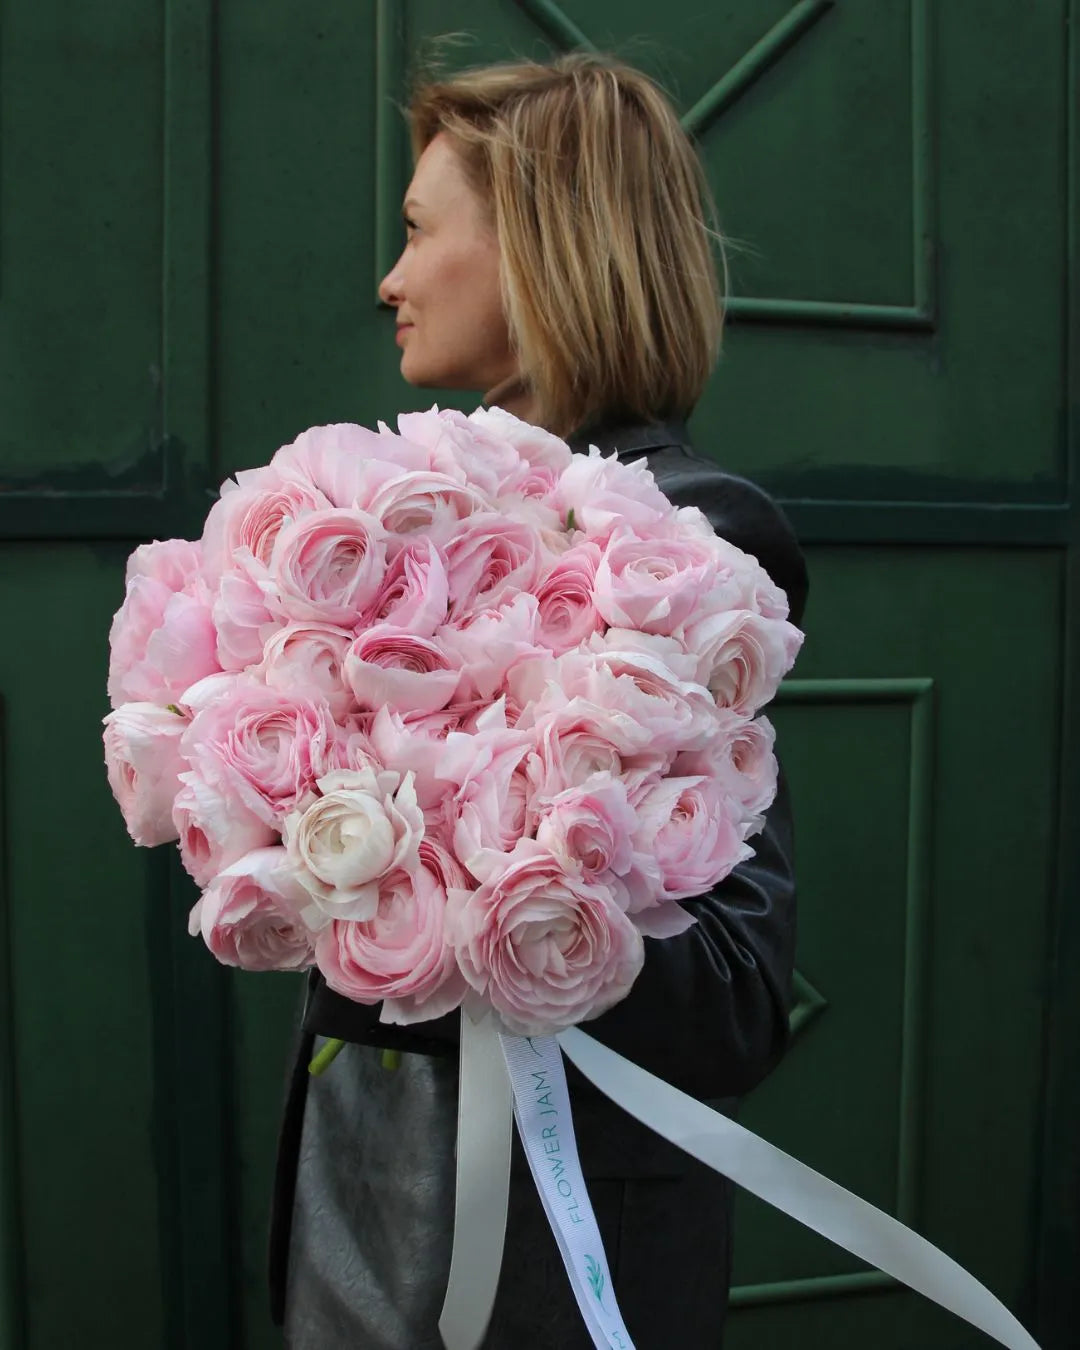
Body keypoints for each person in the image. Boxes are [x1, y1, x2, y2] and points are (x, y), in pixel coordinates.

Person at [269, 51, 809, 1349]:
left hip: (552, 1264)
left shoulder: (685, 542)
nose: (389, 279)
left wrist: (487, 892)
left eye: (417, 231)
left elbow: (736, 993)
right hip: (369, 1186)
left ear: (534, 251)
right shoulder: (407, 526)